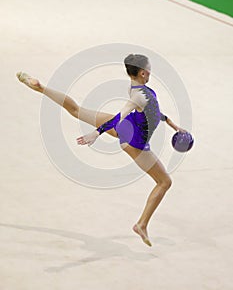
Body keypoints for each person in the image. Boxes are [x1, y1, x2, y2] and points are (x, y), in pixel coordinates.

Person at [16, 54, 186, 247]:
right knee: (164, 182)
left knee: (76, 111)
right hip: (133, 141)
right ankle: (141, 224)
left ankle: (40, 88)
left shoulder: (135, 88)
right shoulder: (139, 95)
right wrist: (97, 133)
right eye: (149, 70)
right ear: (142, 72)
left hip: (128, 127)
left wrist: (173, 125)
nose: (150, 73)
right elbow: (119, 117)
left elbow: (153, 111)